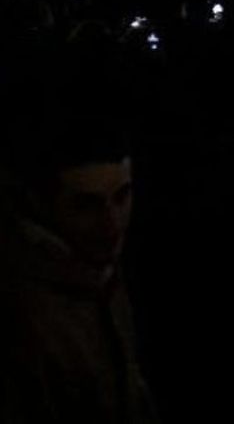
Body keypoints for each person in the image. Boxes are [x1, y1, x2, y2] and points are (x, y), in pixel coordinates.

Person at [1, 115, 159, 423]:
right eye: (86, 205)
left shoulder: (99, 271)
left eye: (122, 196)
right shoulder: (21, 315)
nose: (111, 224)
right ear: (41, 204)